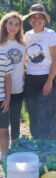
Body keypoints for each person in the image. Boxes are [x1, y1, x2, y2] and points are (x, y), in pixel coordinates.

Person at [23, 4, 56, 139]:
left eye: (40, 17)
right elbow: (25, 58)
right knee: (32, 111)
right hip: (31, 79)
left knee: (44, 112)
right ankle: (36, 141)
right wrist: (30, 68)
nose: (37, 19)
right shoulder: (27, 35)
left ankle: (44, 144)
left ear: (44, 19)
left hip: (46, 78)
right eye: (33, 17)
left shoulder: (50, 34)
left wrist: (49, 81)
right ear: (29, 19)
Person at [0, 12, 25, 142]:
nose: (13, 27)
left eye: (17, 24)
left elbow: (26, 63)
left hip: (17, 88)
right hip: (1, 91)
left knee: (15, 119)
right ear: (4, 24)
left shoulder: (22, 44)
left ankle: (14, 145)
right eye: (10, 23)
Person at [0, 15, 15, 161]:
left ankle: (4, 156)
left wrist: (8, 99)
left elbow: (8, 80)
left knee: (4, 130)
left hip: (2, 100)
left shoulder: (3, 56)